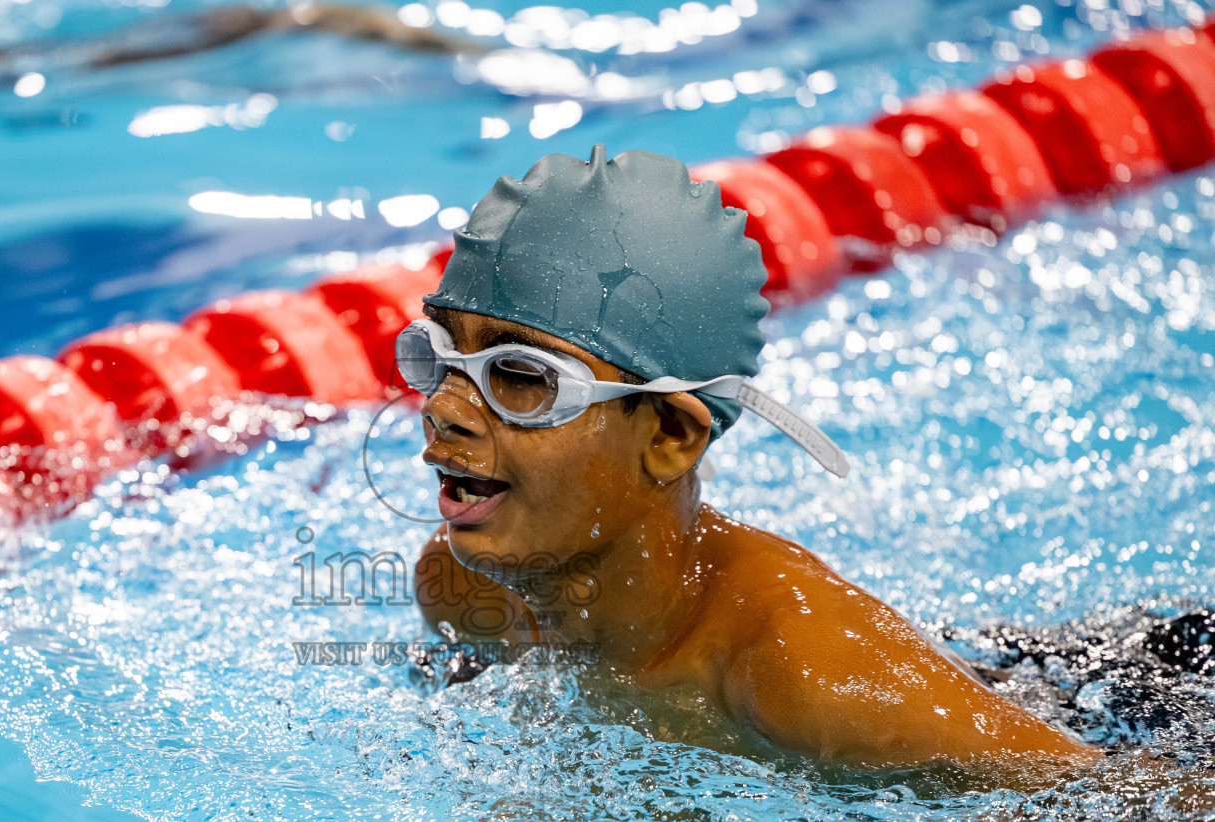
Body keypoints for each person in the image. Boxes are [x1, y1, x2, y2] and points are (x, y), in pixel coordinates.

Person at [403, 144, 1099, 788]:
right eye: (437, 357)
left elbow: (1142, 813)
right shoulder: (462, 589)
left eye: (520, 375)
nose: (444, 410)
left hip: (1121, 700)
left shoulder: (813, 675)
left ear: (670, 435)